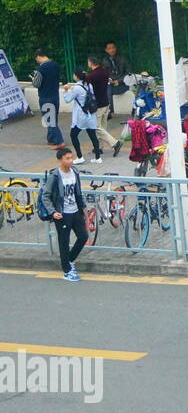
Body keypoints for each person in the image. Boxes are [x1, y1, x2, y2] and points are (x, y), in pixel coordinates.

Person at [42, 147, 89, 280]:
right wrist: (53, 212)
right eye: (67, 158)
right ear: (60, 160)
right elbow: (45, 196)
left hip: (75, 212)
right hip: (62, 214)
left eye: (71, 158)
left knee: (83, 237)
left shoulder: (75, 172)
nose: (71, 161)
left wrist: (83, 209)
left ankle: (69, 260)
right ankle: (67, 271)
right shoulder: (55, 176)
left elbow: (78, 193)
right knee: (64, 241)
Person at [84, 56, 123, 157]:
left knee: (96, 127)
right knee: (102, 127)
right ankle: (99, 147)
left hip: (97, 104)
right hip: (106, 102)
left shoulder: (91, 75)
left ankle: (115, 143)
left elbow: (85, 86)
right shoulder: (104, 71)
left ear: (91, 63)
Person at [62, 70, 102, 163]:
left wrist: (66, 90)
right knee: (93, 135)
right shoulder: (89, 85)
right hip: (90, 114)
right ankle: (98, 157)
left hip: (81, 115)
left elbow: (68, 99)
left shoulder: (77, 88)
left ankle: (80, 157)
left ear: (76, 76)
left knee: (73, 135)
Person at [32, 49, 65, 149]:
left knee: (50, 120)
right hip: (55, 95)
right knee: (53, 117)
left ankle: (59, 142)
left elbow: (37, 84)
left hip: (45, 97)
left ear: (38, 56)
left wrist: (33, 80)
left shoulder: (40, 69)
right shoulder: (55, 65)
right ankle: (51, 139)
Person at [102, 41, 130, 120]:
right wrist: (110, 80)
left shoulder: (123, 59)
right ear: (106, 50)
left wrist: (119, 81)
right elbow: (105, 73)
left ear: (116, 48)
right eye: (109, 48)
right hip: (112, 85)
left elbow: (128, 73)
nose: (112, 50)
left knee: (108, 89)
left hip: (123, 84)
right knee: (107, 87)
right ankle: (108, 110)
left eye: (113, 47)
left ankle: (109, 111)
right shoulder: (105, 60)